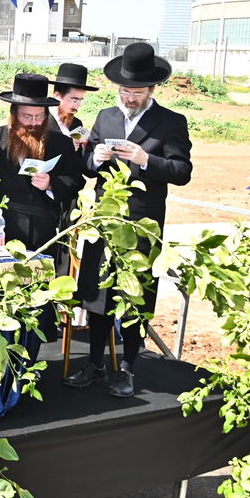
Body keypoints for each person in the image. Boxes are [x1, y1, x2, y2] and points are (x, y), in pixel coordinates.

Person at [66, 43, 192, 398]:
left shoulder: (171, 122)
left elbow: (182, 172)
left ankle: (128, 368)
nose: (129, 98)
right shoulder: (106, 116)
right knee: (96, 294)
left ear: (152, 90)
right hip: (104, 219)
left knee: (134, 298)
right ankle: (94, 363)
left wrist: (145, 159)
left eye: (136, 93)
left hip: (141, 224)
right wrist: (96, 157)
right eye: (124, 91)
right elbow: (88, 165)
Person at [0, 73, 84, 253]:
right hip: (2, 229)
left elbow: (76, 181)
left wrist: (51, 184)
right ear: (14, 115)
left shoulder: (61, 143)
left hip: (43, 233)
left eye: (39, 117)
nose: (34, 123)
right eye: (27, 117)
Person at [50, 62, 98, 151]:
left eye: (81, 100)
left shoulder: (76, 124)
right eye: (74, 100)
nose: (78, 104)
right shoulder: (40, 121)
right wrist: (66, 147)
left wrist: (85, 147)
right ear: (57, 95)